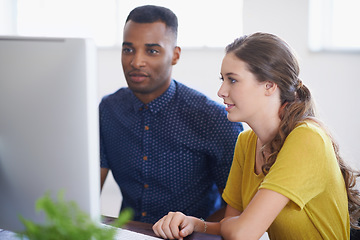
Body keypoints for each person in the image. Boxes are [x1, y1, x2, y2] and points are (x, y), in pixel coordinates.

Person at [152, 32, 360, 239]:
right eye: (222, 79)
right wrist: (196, 223)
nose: (221, 91)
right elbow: (231, 227)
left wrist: (235, 226)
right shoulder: (246, 142)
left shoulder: (308, 138)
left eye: (232, 80)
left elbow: (243, 232)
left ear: (269, 85)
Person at [99, 5, 243, 224]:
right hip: (127, 232)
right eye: (128, 49)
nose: (136, 61)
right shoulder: (109, 110)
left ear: (175, 55)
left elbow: (237, 209)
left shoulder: (214, 119)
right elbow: (87, 191)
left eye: (152, 51)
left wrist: (192, 230)